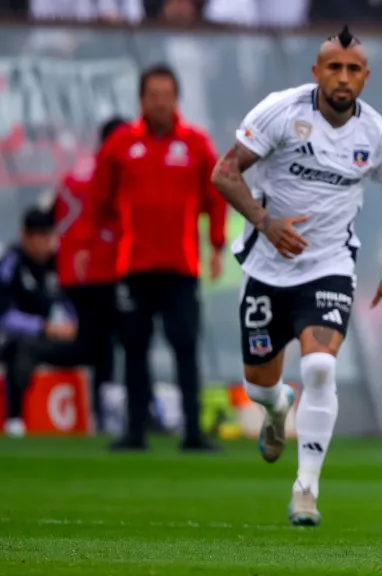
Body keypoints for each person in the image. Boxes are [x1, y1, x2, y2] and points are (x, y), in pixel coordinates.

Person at [211, 26, 382, 527]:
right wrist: (265, 223)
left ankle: (306, 489)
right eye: (333, 68)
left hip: (329, 266)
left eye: (353, 69)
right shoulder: (281, 112)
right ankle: (277, 411)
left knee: (321, 368)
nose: (343, 78)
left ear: (365, 77)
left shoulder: (378, 136)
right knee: (260, 385)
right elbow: (223, 172)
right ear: (316, 72)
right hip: (265, 267)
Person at [90, 64, 227, 452]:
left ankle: (193, 433)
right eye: (153, 95)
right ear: (141, 99)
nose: (161, 102)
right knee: (134, 347)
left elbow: (215, 197)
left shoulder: (196, 144)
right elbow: (98, 201)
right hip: (133, 266)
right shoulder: (121, 145)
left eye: (167, 95)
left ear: (176, 98)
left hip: (181, 266)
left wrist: (216, 247)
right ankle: (135, 431)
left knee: (186, 346)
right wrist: (102, 244)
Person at [53, 116, 126, 432]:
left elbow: (60, 218)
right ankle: (110, 412)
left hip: (73, 273)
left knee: (97, 345)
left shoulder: (74, 174)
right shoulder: (112, 174)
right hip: (103, 270)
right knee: (113, 344)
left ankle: (102, 411)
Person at [0, 206, 79, 437]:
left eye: (50, 236)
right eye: (41, 237)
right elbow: (4, 314)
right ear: (26, 236)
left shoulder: (59, 262)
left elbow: (69, 300)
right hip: (20, 338)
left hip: (56, 338)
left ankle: (102, 411)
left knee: (97, 341)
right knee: (20, 348)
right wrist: (42, 326)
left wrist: (72, 324)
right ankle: (15, 420)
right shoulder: (11, 263)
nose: (47, 243)